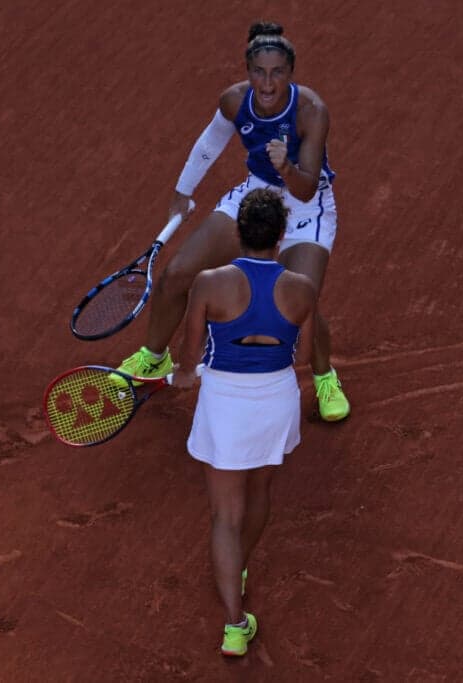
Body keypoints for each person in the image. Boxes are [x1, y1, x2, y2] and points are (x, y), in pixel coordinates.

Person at [118, 20, 350, 422]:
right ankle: (154, 358)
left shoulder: (311, 111)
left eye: (277, 72)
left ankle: (325, 377)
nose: (267, 82)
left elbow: (307, 188)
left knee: (301, 297)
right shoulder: (233, 102)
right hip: (256, 192)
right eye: (259, 72)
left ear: (290, 74)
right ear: (248, 72)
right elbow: (209, 143)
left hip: (306, 206)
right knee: (177, 273)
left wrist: (287, 166)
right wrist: (182, 192)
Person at [171, 188, 316, 657]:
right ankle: (241, 566)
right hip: (276, 401)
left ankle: (235, 625)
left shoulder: (210, 283)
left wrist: (185, 375)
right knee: (260, 495)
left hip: (225, 404)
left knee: (223, 516)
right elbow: (306, 356)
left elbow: (190, 354)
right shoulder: (301, 288)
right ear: (280, 237)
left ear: (238, 233)